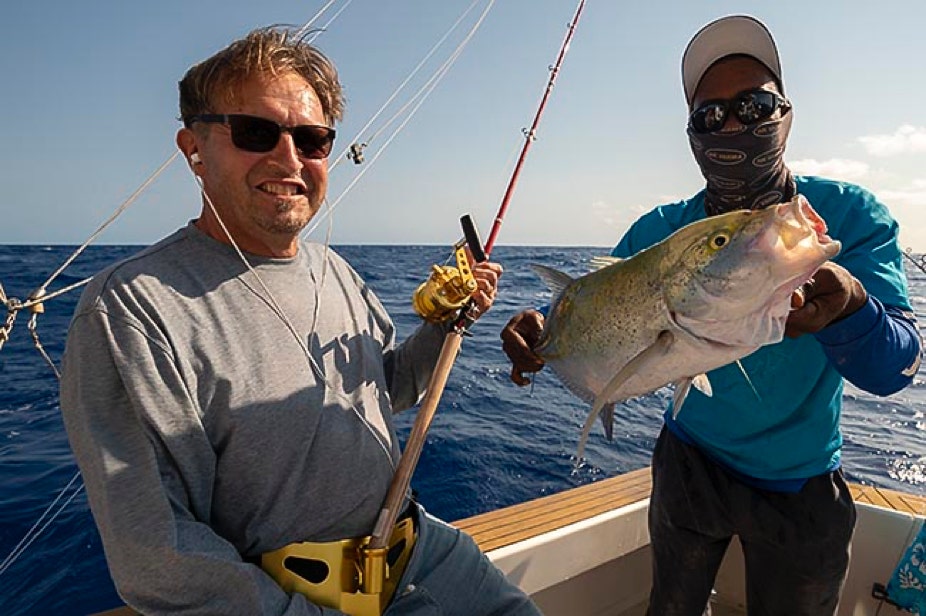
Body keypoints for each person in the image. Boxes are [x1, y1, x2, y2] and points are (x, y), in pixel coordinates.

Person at [60, 26, 541, 616]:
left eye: (312, 140)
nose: (288, 158)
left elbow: (386, 390)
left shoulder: (336, 269)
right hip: (299, 600)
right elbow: (157, 553)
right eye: (256, 132)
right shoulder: (132, 310)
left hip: (418, 553)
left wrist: (446, 324)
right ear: (194, 150)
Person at [500, 14, 922, 616]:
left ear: (785, 114)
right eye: (709, 115)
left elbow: (896, 369)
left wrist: (851, 308)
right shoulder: (663, 232)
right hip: (688, 463)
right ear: (693, 135)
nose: (731, 124)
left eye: (753, 105)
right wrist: (541, 326)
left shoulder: (847, 216)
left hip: (798, 478)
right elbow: (602, 304)